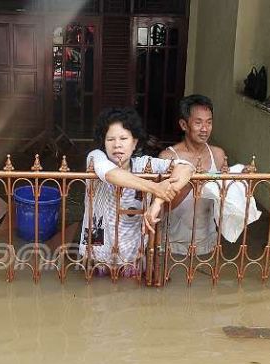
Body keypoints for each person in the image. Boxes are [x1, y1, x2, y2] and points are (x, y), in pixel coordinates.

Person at [78, 107, 194, 272]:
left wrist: (157, 203)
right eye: (110, 139)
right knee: (93, 290)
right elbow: (110, 174)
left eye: (123, 138)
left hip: (132, 256)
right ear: (103, 142)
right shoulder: (95, 157)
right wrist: (155, 188)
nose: (117, 144)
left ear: (134, 143)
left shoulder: (144, 165)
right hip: (96, 253)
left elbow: (186, 167)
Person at [158, 94, 227, 257]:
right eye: (198, 122)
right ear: (183, 124)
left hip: (207, 244)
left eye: (209, 122)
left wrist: (236, 180)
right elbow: (161, 206)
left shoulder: (217, 154)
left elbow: (224, 201)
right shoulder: (168, 157)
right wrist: (190, 184)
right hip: (172, 246)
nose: (205, 129)